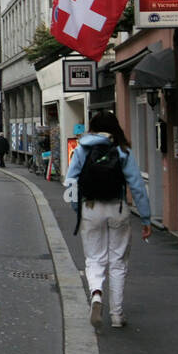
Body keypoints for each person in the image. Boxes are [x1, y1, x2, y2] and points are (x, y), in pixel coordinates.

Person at [65, 111, 151, 330]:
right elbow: (138, 186)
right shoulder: (122, 150)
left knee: (94, 258)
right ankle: (117, 315)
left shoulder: (82, 148)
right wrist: (147, 218)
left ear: (92, 127)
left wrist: (78, 208)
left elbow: (70, 182)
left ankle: (96, 294)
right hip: (118, 208)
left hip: (91, 208)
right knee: (118, 261)